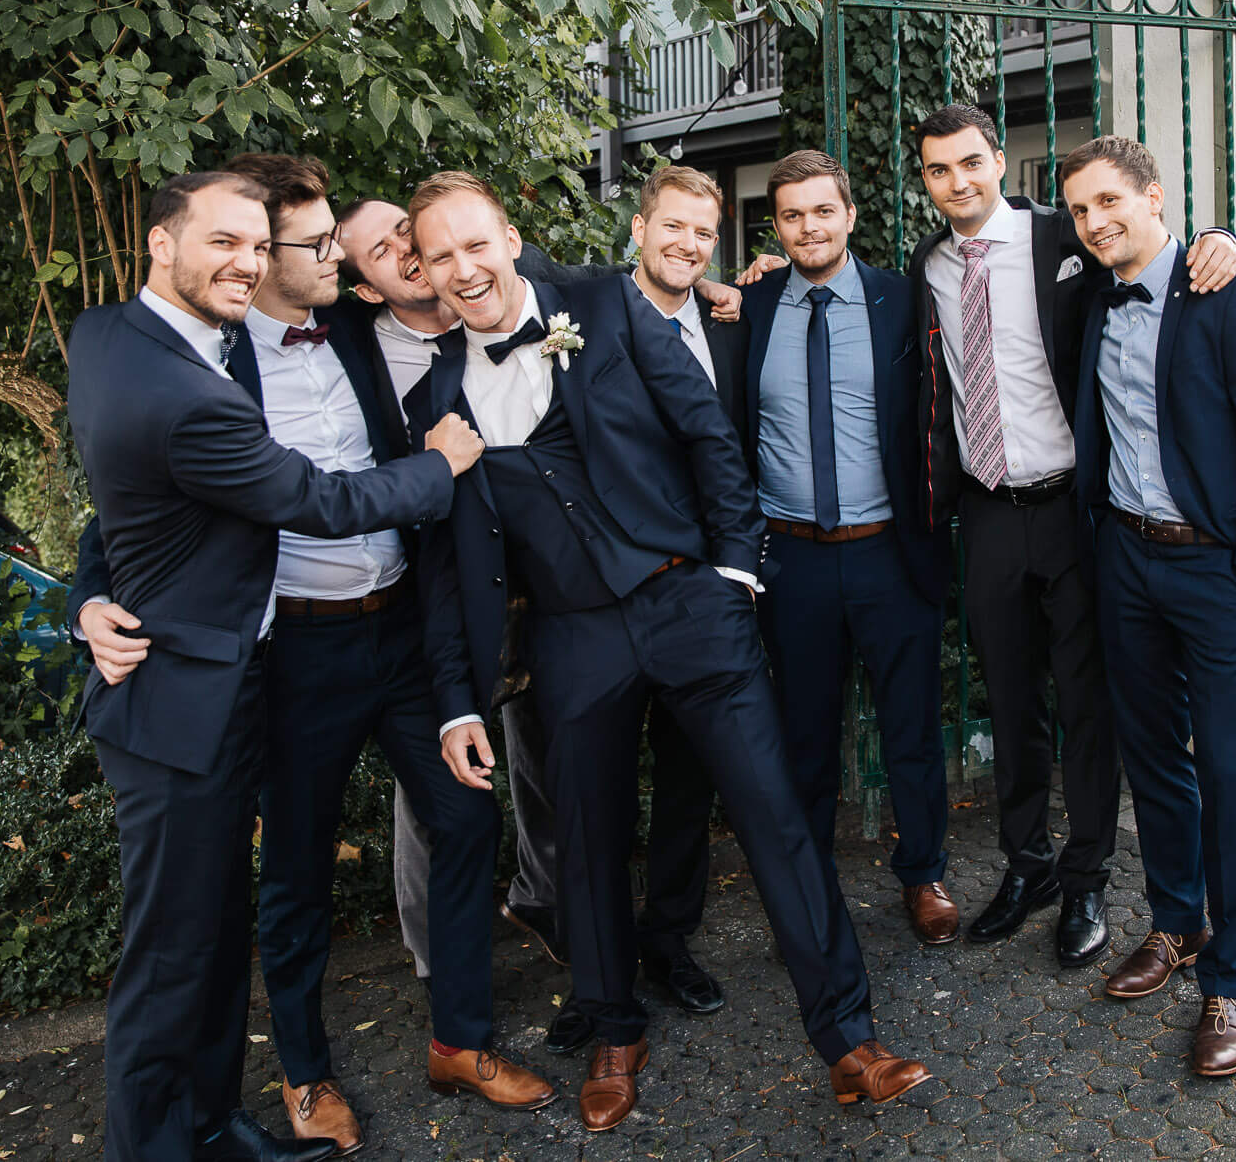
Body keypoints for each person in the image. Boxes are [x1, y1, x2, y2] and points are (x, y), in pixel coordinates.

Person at [407, 172, 927, 1132]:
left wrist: (732, 571)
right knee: (587, 843)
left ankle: (850, 1040)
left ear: (510, 240)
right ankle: (615, 1030)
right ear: (425, 272)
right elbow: (443, 571)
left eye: (475, 245)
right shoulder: (435, 399)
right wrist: (457, 701)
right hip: (571, 635)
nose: (463, 269)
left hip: (689, 601)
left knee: (774, 816)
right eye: (440, 257)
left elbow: (706, 432)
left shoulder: (606, 305)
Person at [73, 159, 554, 1154]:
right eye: (310, 243)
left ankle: (460, 1042)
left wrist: (716, 286)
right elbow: (132, 496)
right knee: (295, 867)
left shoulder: (352, 332)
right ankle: (303, 1072)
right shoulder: (212, 362)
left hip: (400, 631)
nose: (326, 256)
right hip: (293, 649)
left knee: (466, 815)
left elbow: (500, 267)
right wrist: (87, 597)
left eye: (276, 243)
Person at [328, 196, 735, 1033]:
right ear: (364, 286)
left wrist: (709, 281)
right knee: (475, 785)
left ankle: (640, 937)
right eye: (386, 251)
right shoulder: (354, 352)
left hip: (588, 587)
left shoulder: (525, 285)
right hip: (467, 597)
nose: (413, 255)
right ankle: (469, 972)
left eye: (410, 236)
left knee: (600, 777)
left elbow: (614, 290)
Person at [908, 102, 1236, 967]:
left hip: (1075, 509)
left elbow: (1151, 253)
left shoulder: (1067, 236)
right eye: (940, 169)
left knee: (1087, 706)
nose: (958, 181)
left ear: (997, 161)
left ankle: (1087, 877)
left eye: (972, 162)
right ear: (926, 181)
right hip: (988, 510)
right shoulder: (928, 264)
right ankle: (1027, 867)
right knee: (1011, 701)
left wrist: (1229, 240)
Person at [1062, 137, 1236, 1080]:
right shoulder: (1094, 296)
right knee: (1155, 759)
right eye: (1080, 211)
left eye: (1109, 203)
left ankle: (1233, 981)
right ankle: (1177, 923)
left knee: (1232, 775)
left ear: (1154, 196)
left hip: (1220, 574)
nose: (1094, 223)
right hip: (1126, 561)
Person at [539, 164, 742, 1053]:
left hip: (702, 594)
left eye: (704, 233)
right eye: (673, 226)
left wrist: (734, 578)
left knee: (689, 783)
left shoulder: (732, 326)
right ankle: (599, 972)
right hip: (598, 600)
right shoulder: (577, 313)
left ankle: (669, 940)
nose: (688, 245)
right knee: (596, 797)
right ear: (638, 228)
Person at [737, 151, 953, 946]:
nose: (809, 228)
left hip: (889, 551)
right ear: (776, 227)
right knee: (803, 736)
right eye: (792, 215)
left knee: (911, 727)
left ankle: (923, 873)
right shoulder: (749, 305)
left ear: (850, 215)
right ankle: (809, 888)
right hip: (791, 558)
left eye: (823, 210)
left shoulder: (903, 299)